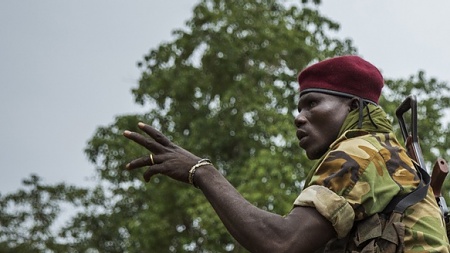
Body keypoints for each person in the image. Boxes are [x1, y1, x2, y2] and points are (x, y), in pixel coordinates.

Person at [123, 55, 450, 252]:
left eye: (313, 104)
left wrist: (201, 171)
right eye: (298, 107)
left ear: (353, 106)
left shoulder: (360, 151)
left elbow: (281, 243)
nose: (298, 117)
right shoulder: (387, 153)